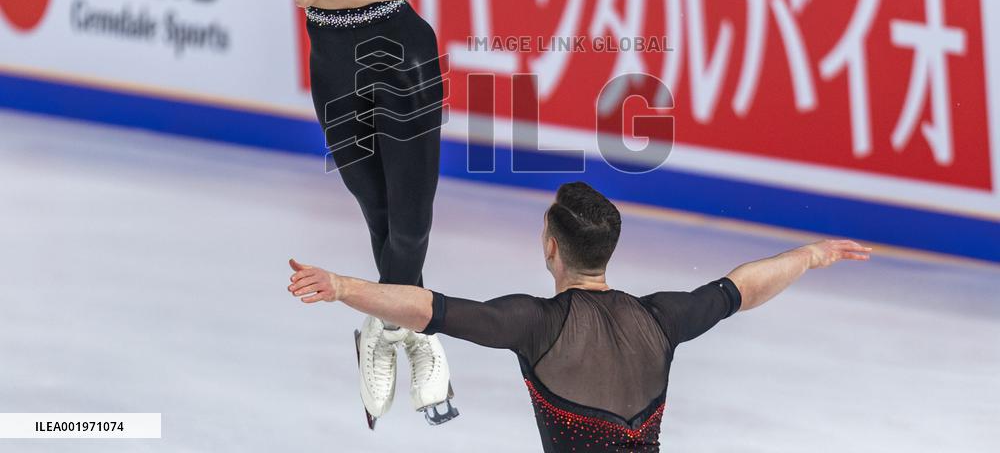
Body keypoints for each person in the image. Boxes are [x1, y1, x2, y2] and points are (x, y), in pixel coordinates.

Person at [287, 181, 871, 451]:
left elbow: (428, 309)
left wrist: (342, 286)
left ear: (551, 248)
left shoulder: (535, 323)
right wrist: (810, 255)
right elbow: (739, 288)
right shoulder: (660, 319)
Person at [243, 0, 454, 427]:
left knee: (411, 221)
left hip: (403, 59)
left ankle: (395, 333)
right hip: (334, 71)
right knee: (379, 212)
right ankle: (400, 326)